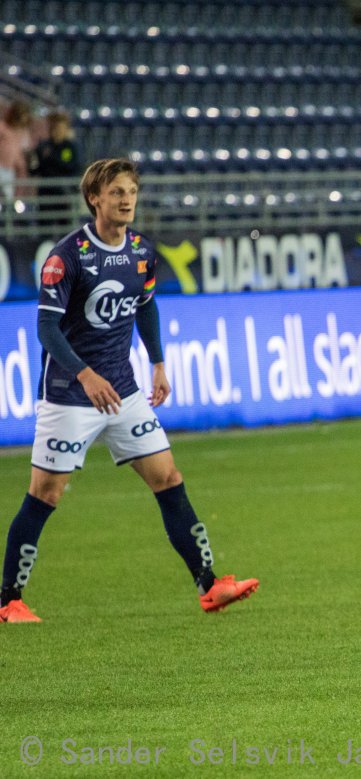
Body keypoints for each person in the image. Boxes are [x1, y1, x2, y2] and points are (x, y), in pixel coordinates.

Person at [0, 158, 259, 624]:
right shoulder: (68, 255)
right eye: (117, 192)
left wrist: (158, 362)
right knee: (46, 493)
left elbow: (145, 306)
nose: (126, 201)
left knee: (168, 477)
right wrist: (84, 374)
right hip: (70, 393)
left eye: (131, 192)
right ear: (94, 198)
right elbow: (46, 327)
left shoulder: (141, 251)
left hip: (123, 389)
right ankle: (7, 601)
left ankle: (209, 584)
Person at [30, 111, 84, 230]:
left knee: (66, 227)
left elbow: (71, 166)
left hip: (64, 193)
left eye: (61, 128)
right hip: (46, 193)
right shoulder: (43, 146)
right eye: (55, 128)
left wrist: (52, 158)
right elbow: (35, 169)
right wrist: (31, 161)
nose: (58, 131)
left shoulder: (70, 147)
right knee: (44, 227)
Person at [0, 100, 33, 205]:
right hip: (1, 167)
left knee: (10, 201)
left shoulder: (25, 132)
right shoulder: (3, 127)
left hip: (14, 171)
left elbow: (27, 151)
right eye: (20, 114)